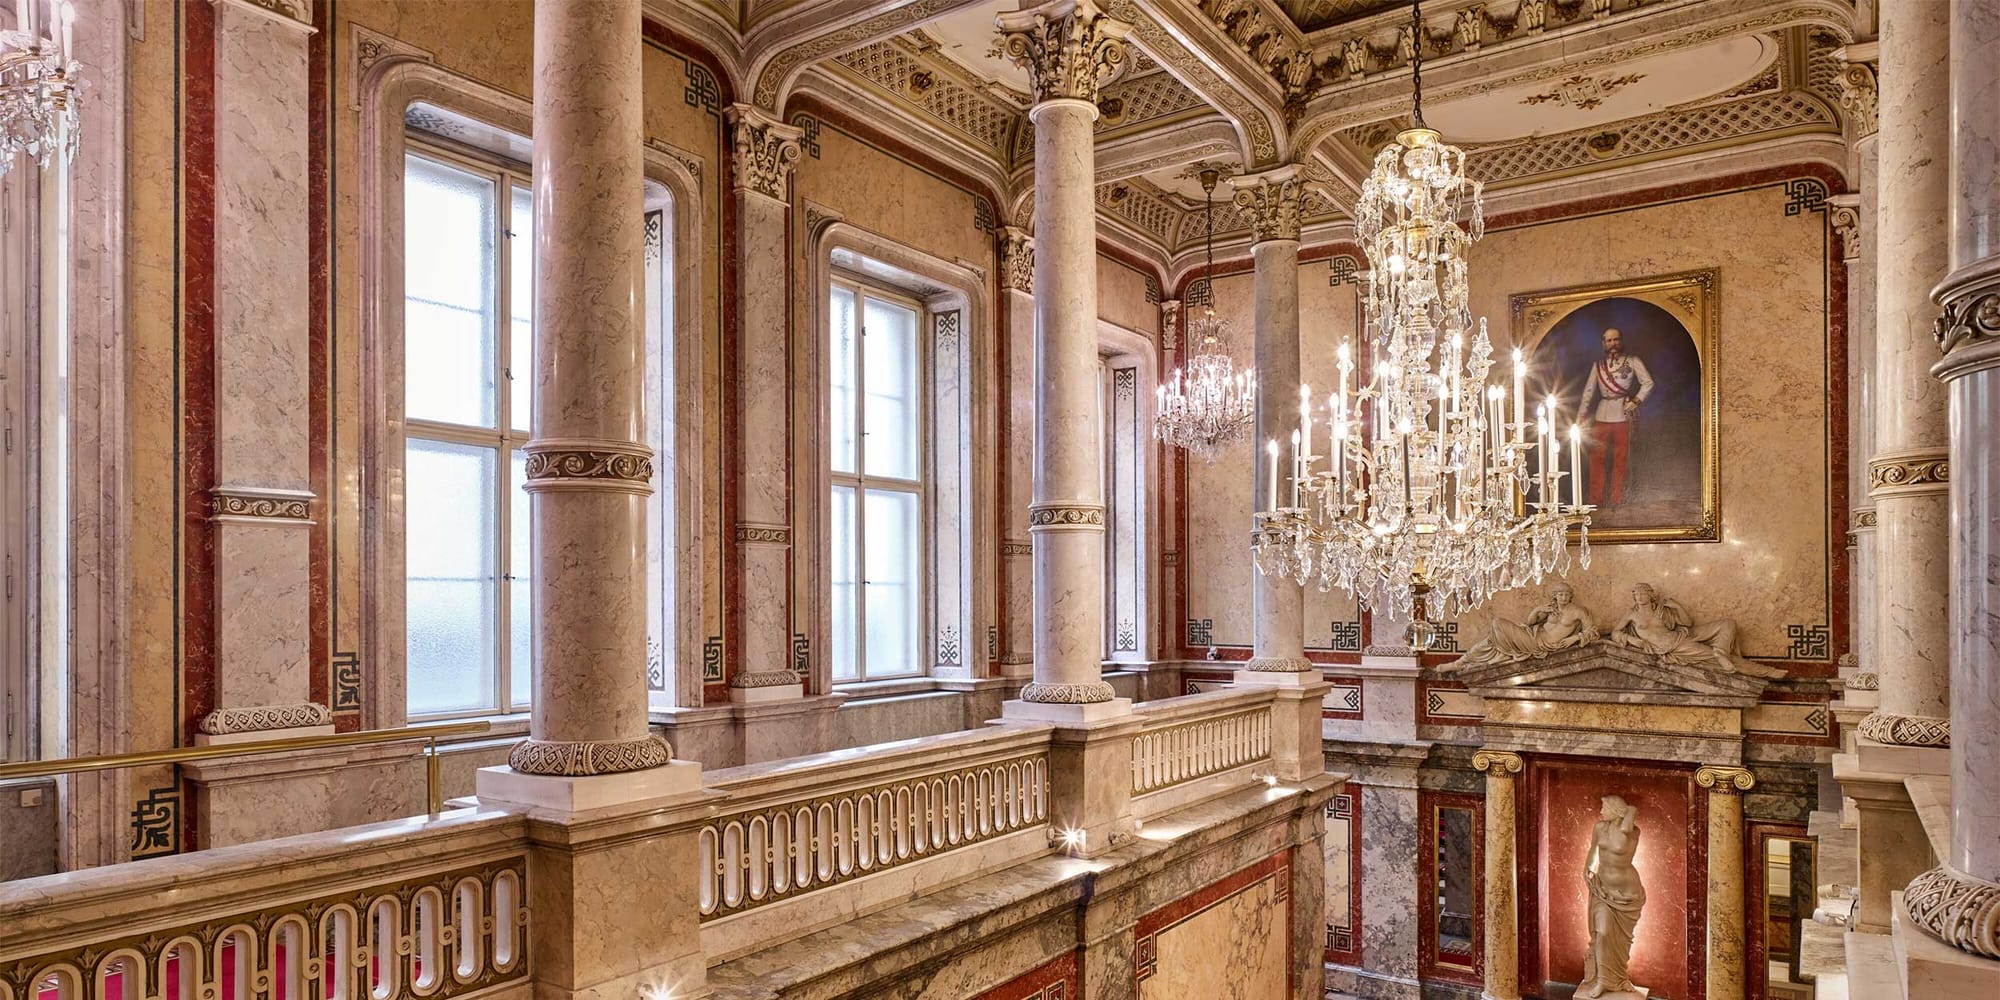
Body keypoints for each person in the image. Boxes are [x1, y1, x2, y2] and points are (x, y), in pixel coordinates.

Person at [1606, 582, 1788, 679]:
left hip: (1681, 635)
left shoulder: (1662, 609)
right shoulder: (1631, 614)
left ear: (1650, 594)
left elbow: (1687, 622)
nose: (1638, 596)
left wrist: (1677, 606)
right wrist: (1635, 641)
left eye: (1642, 593)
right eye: (1635, 594)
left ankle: (1721, 651)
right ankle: (1766, 672)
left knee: (1728, 624)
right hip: (1674, 646)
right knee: (1720, 661)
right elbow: (1616, 633)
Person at [1577, 327, 1654, 508]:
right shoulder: (1597, 366)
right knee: (1597, 457)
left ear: (1621, 341)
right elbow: (1588, 392)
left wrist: (1636, 401)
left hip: (1622, 414)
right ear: (1603, 344)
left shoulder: (1633, 361)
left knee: (1620, 458)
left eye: (1616, 340)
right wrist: (1580, 415)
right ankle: (1595, 500)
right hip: (1602, 413)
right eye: (1609, 340)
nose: (1613, 344)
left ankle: (1617, 499)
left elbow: (1648, 383)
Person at [1579, 795, 1646, 999]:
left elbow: (1626, 828)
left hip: (1627, 893)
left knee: (1621, 941)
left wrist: (1629, 809)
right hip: (1602, 889)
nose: (1600, 812)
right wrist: (1587, 869)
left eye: (1604, 807)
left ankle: (1619, 978)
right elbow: (1593, 851)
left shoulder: (1633, 831)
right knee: (1603, 933)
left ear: (1617, 810)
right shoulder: (1600, 828)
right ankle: (1602, 981)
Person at [1448, 582, 1598, 671]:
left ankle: (1463, 662)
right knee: (1492, 640)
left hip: (1542, 644)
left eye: (1566, 595)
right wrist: (1537, 610)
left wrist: (1575, 638)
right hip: (1533, 635)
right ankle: (1461, 662)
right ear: (1555, 596)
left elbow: (1592, 631)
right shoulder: (1551, 608)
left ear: (1571, 596)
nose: (1564, 598)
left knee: (1498, 625)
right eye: (1560, 595)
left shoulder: (1578, 611)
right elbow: (1531, 623)